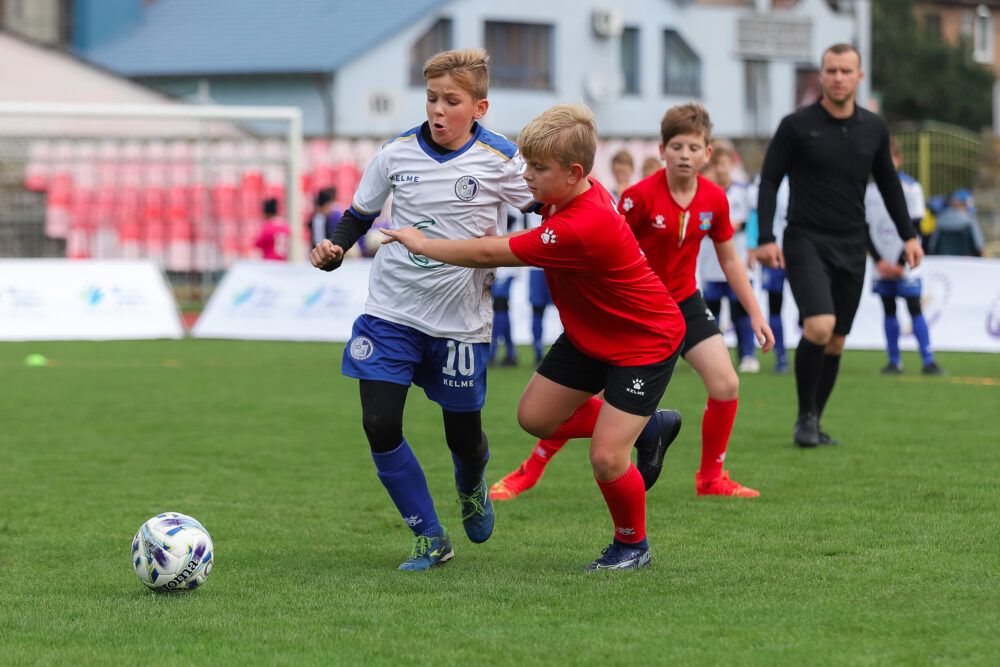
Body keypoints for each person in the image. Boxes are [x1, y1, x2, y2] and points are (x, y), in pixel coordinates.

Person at [382, 102, 687, 571]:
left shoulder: (582, 224)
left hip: (644, 340)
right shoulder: (566, 194)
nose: (526, 175)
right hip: (591, 333)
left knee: (608, 458)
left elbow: (489, 252)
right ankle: (649, 427)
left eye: (538, 168)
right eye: (527, 164)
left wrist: (423, 243)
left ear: (575, 173)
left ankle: (633, 545)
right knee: (536, 417)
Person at [309, 48, 536, 571]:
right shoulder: (395, 153)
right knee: (379, 423)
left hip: (460, 322)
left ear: (479, 108)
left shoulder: (502, 159)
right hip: (391, 311)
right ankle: (429, 536)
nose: (437, 109)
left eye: (451, 101)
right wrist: (335, 249)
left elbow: (551, 206)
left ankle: (472, 484)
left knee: (463, 438)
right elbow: (359, 214)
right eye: (431, 98)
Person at [490, 103, 773, 502]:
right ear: (662, 150)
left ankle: (711, 479)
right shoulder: (638, 197)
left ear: (708, 153)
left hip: (683, 302)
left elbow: (729, 258)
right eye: (677, 146)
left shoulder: (715, 199)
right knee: (595, 402)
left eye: (694, 148)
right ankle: (530, 470)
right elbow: (608, 249)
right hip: (634, 311)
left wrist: (756, 313)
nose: (685, 155)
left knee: (726, 383)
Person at [755, 43, 924, 448]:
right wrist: (764, 238)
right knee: (819, 325)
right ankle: (804, 419)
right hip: (805, 239)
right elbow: (769, 180)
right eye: (831, 70)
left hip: (851, 244)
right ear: (821, 75)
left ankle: (814, 419)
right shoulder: (795, 125)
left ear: (859, 77)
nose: (838, 78)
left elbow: (889, 185)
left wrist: (909, 235)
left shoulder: (874, 128)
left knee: (836, 340)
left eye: (846, 71)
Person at [866, 139, 944, 376]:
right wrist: (878, 260)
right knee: (888, 309)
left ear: (898, 160)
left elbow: (916, 229)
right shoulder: (868, 191)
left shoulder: (911, 188)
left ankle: (928, 360)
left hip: (907, 263)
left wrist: (901, 263)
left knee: (914, 307)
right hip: (881, 263)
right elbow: (864, 228)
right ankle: (894, 361)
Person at [698, 143, 758, 373]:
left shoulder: (744, 191)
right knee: (710, 313)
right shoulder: (705, 193)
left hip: (737, 260)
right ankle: (712, 359)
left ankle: (747, 355)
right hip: (711, 263)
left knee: (740, 310)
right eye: (717, 165)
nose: (721, 170)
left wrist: (751, 246)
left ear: (731, 165)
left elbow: (752, 219)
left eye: (724, 165)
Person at [928, 189, 984, 256]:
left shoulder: (939, 219)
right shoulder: (970, 221)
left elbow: (932, 247)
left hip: (943, 259)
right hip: (967, 259)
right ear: (964, 204)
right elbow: (980, 247)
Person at [488, 264, 519, 367]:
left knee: (500, 305)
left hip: (503, 268)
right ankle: (510, 354)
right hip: (500, 268)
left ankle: (493, 355)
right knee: (501, 307)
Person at [308, 187, 341, 252]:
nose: (329, 209)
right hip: (318, 248)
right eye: (328, 206)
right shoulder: (317, 218)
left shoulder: (326, 218)